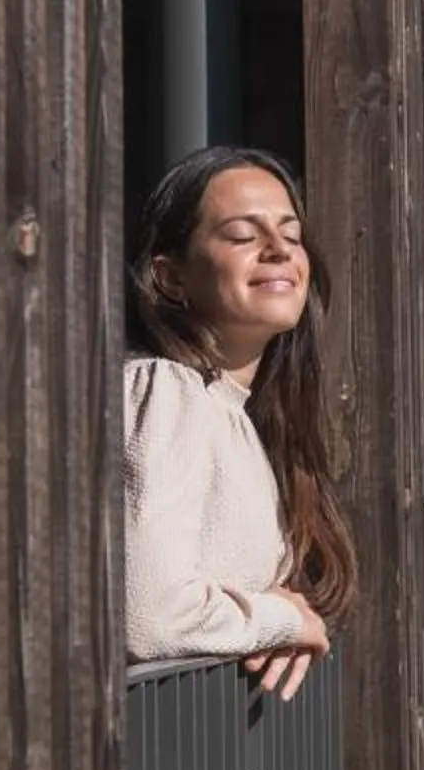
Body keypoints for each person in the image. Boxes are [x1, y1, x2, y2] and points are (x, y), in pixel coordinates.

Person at [123, 145, 358, 696]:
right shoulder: (167, 391)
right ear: (170, 277)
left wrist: (263, 617)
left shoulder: (234, 412)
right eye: (242, 235)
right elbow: (150, 615)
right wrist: (281, 618)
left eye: (291, 235)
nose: (278, 251)